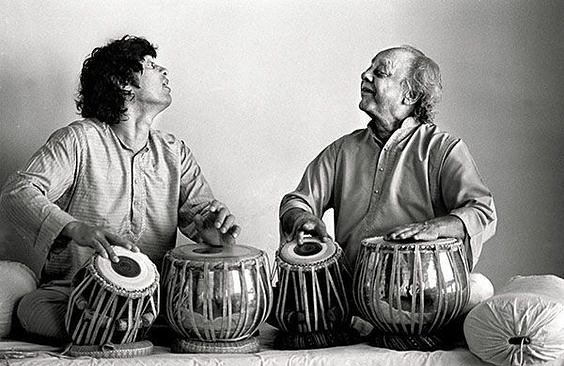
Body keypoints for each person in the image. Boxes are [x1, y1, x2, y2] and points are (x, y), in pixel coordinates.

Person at [0, 35, 240, 343]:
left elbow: (202, 214)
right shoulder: (79, 140)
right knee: (33, 309)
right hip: (75, 295)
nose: (164, 70)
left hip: (153, 301)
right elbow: (17, 192)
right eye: (151, 65)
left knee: (205, 311)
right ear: (122, 83)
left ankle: (122, 327)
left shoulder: (174, 152)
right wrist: (74, 228)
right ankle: (125, 328)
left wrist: (214, 230)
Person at [279, 45, 497, 314]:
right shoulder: (342, 151)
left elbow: (482, 211)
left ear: (411, 95)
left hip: (419, 296)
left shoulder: (442, 149)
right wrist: (303, 219)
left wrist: (435, 227)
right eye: (369, 69)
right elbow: (297, 201)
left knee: (479, 287)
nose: (365, 75)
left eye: (380, 72)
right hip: (350, 296)